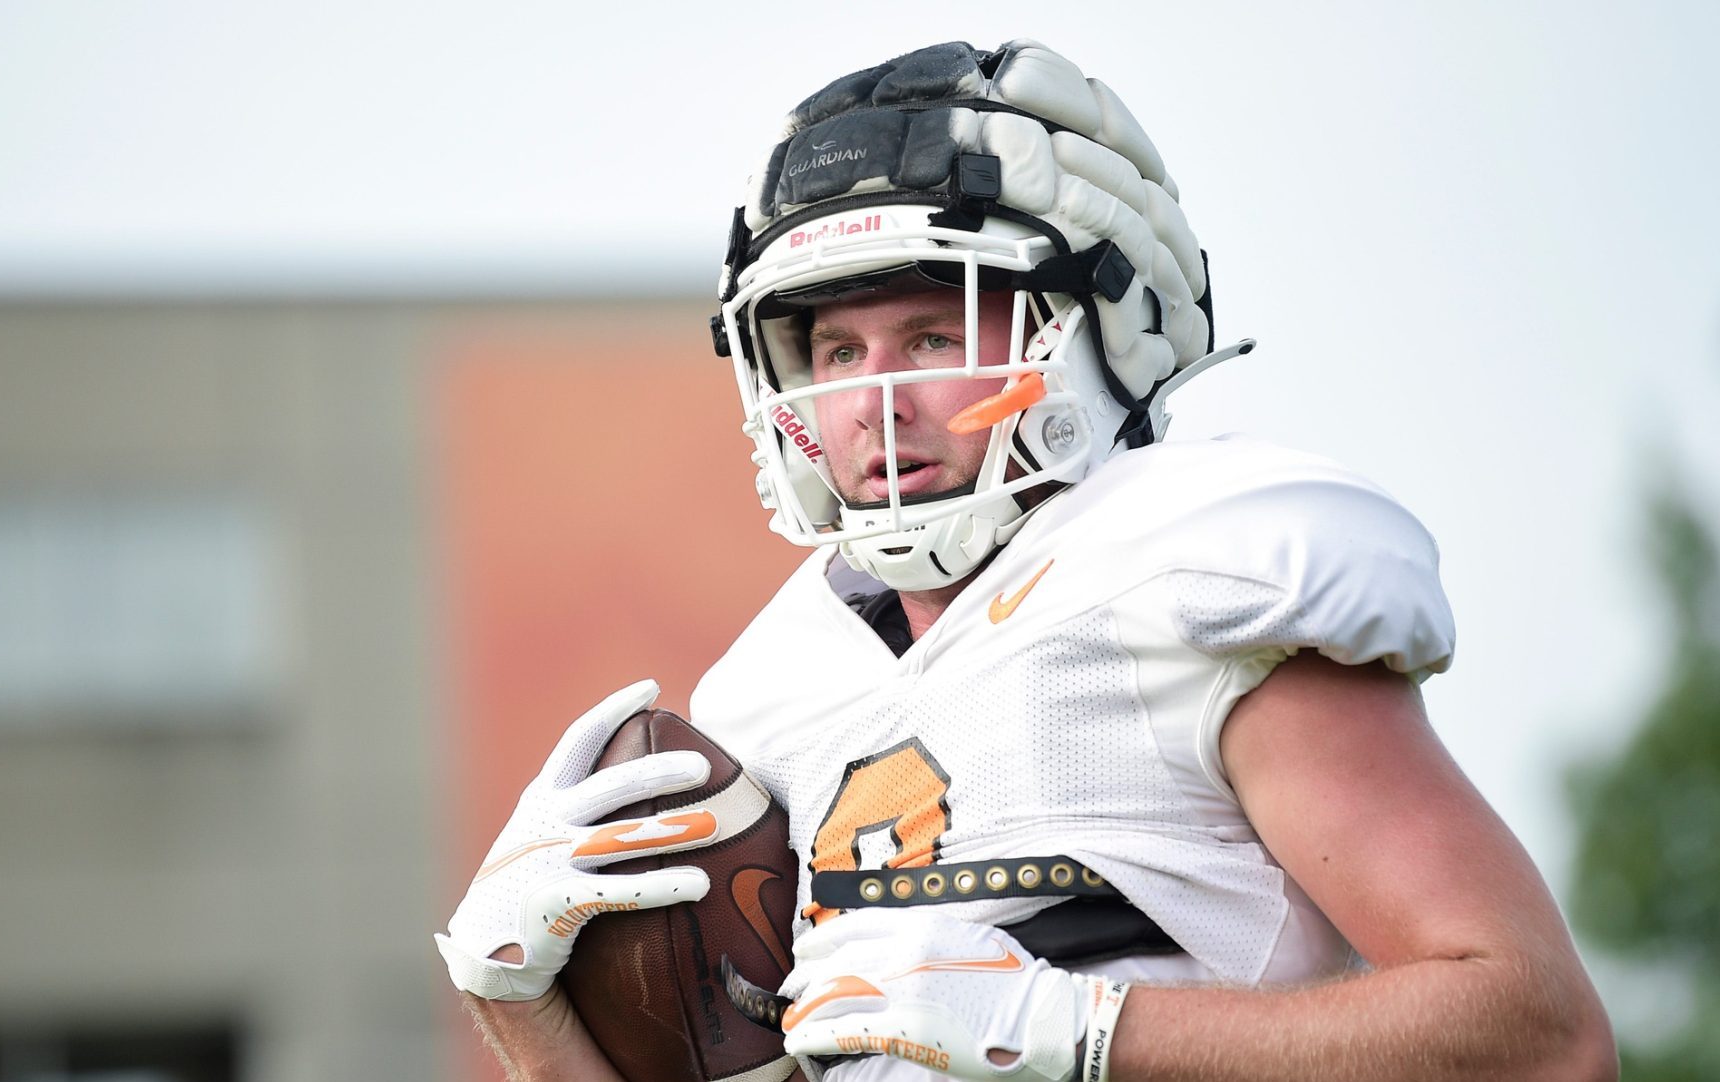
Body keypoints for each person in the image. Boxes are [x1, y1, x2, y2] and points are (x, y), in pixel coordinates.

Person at [435, 39, 1618, 1082]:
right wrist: (527, 1015)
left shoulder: (1191, 573)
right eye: (836, 348)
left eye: (933, 332)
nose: (872, 398)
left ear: (1098, 329)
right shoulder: (770, 700)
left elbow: (1541, 1033)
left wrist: (1082, 1028)